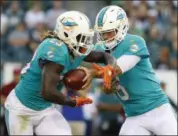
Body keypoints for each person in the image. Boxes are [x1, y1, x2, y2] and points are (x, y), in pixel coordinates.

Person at [4, 11, 116, 135]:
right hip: (22, 108)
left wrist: (110, 67)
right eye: (81, 36)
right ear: (67, 33)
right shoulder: (56, 49)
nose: (85, 41)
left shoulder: (74, 48)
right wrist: (71, 101)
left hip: (45, 109)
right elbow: (47, 92)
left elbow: (103, 55)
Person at [93, 5, 177, 135]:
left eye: (109, 32)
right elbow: (106, 84)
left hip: (158, 110)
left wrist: (90, 73)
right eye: (102, 33)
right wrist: (107, 88)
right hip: (134, 116)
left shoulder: (134, 41)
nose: (105, 37)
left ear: (121, 28)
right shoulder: (100, 49)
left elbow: (117, 68)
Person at [0, 68, 21, 136]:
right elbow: (2, 100)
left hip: (22, 114)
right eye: (15, 75)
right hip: (8, 113)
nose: (17, 77)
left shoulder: (23, 87)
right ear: (13, 75)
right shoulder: (7, 87)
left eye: (18, 75)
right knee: (7, 132)